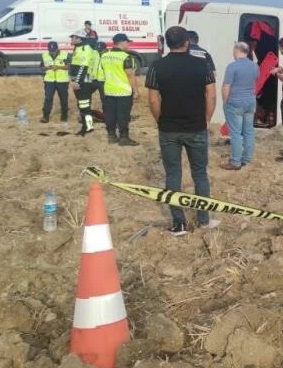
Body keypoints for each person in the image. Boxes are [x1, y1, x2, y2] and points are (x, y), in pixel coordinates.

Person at [146, 26, 219, 236]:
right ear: (187, 42)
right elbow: (211, 96)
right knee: (200, 174)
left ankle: (179, 224)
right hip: (196, 127)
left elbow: (152, 98)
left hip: (169, 129)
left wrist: (161, 120)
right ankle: (204, 220)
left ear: (167, 43)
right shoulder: (202, 64)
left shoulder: (157, 66)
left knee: (173, 174)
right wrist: (206, 120)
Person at [221, 42, 260, 170]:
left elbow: (226, 86)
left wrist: (225, 102)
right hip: (250, 101)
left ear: (237, 50)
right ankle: (246, 158)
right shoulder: (255, 66)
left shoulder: (232, 66)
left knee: (236, 133)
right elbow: (255, 81)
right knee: (248, 131)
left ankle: (235, 162)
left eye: (233, 49)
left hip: (236, 102)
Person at [100, 33, 139, 146]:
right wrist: (136, 91)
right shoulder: (126, 57)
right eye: (127, 42)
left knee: (110, 114)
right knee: (123, 115)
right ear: (121, 42)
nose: (128, 44)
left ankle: (111, 136)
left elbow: (104, 70)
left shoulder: (104, 55)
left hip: (108, 90)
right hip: (123, 91)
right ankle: (124, 138)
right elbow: (130, 75)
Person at [69, 32, 100, 136]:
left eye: (73, 37)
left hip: (85, 79)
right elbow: (75, 66)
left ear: (79, 39)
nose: (71, 39)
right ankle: (88, 126)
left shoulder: (85, 48)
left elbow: (83, 67)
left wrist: (77, 82)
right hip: (83, 79)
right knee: (83, 104)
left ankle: (87, 127)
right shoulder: (79, 47)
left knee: (84, 104)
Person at [40, 41, 70, 123]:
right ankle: (45, 117)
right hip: (49, 81)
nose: (52, 52)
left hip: (62, 81)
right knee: (48, 99)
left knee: (63, 99)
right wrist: (47, 67)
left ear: (57, 49)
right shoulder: (44, 55)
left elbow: (69, 67)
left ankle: (64, 116)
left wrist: (58, 67)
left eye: (54, 50)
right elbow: (41, 68)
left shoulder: (65, 54)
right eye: (51, 50)